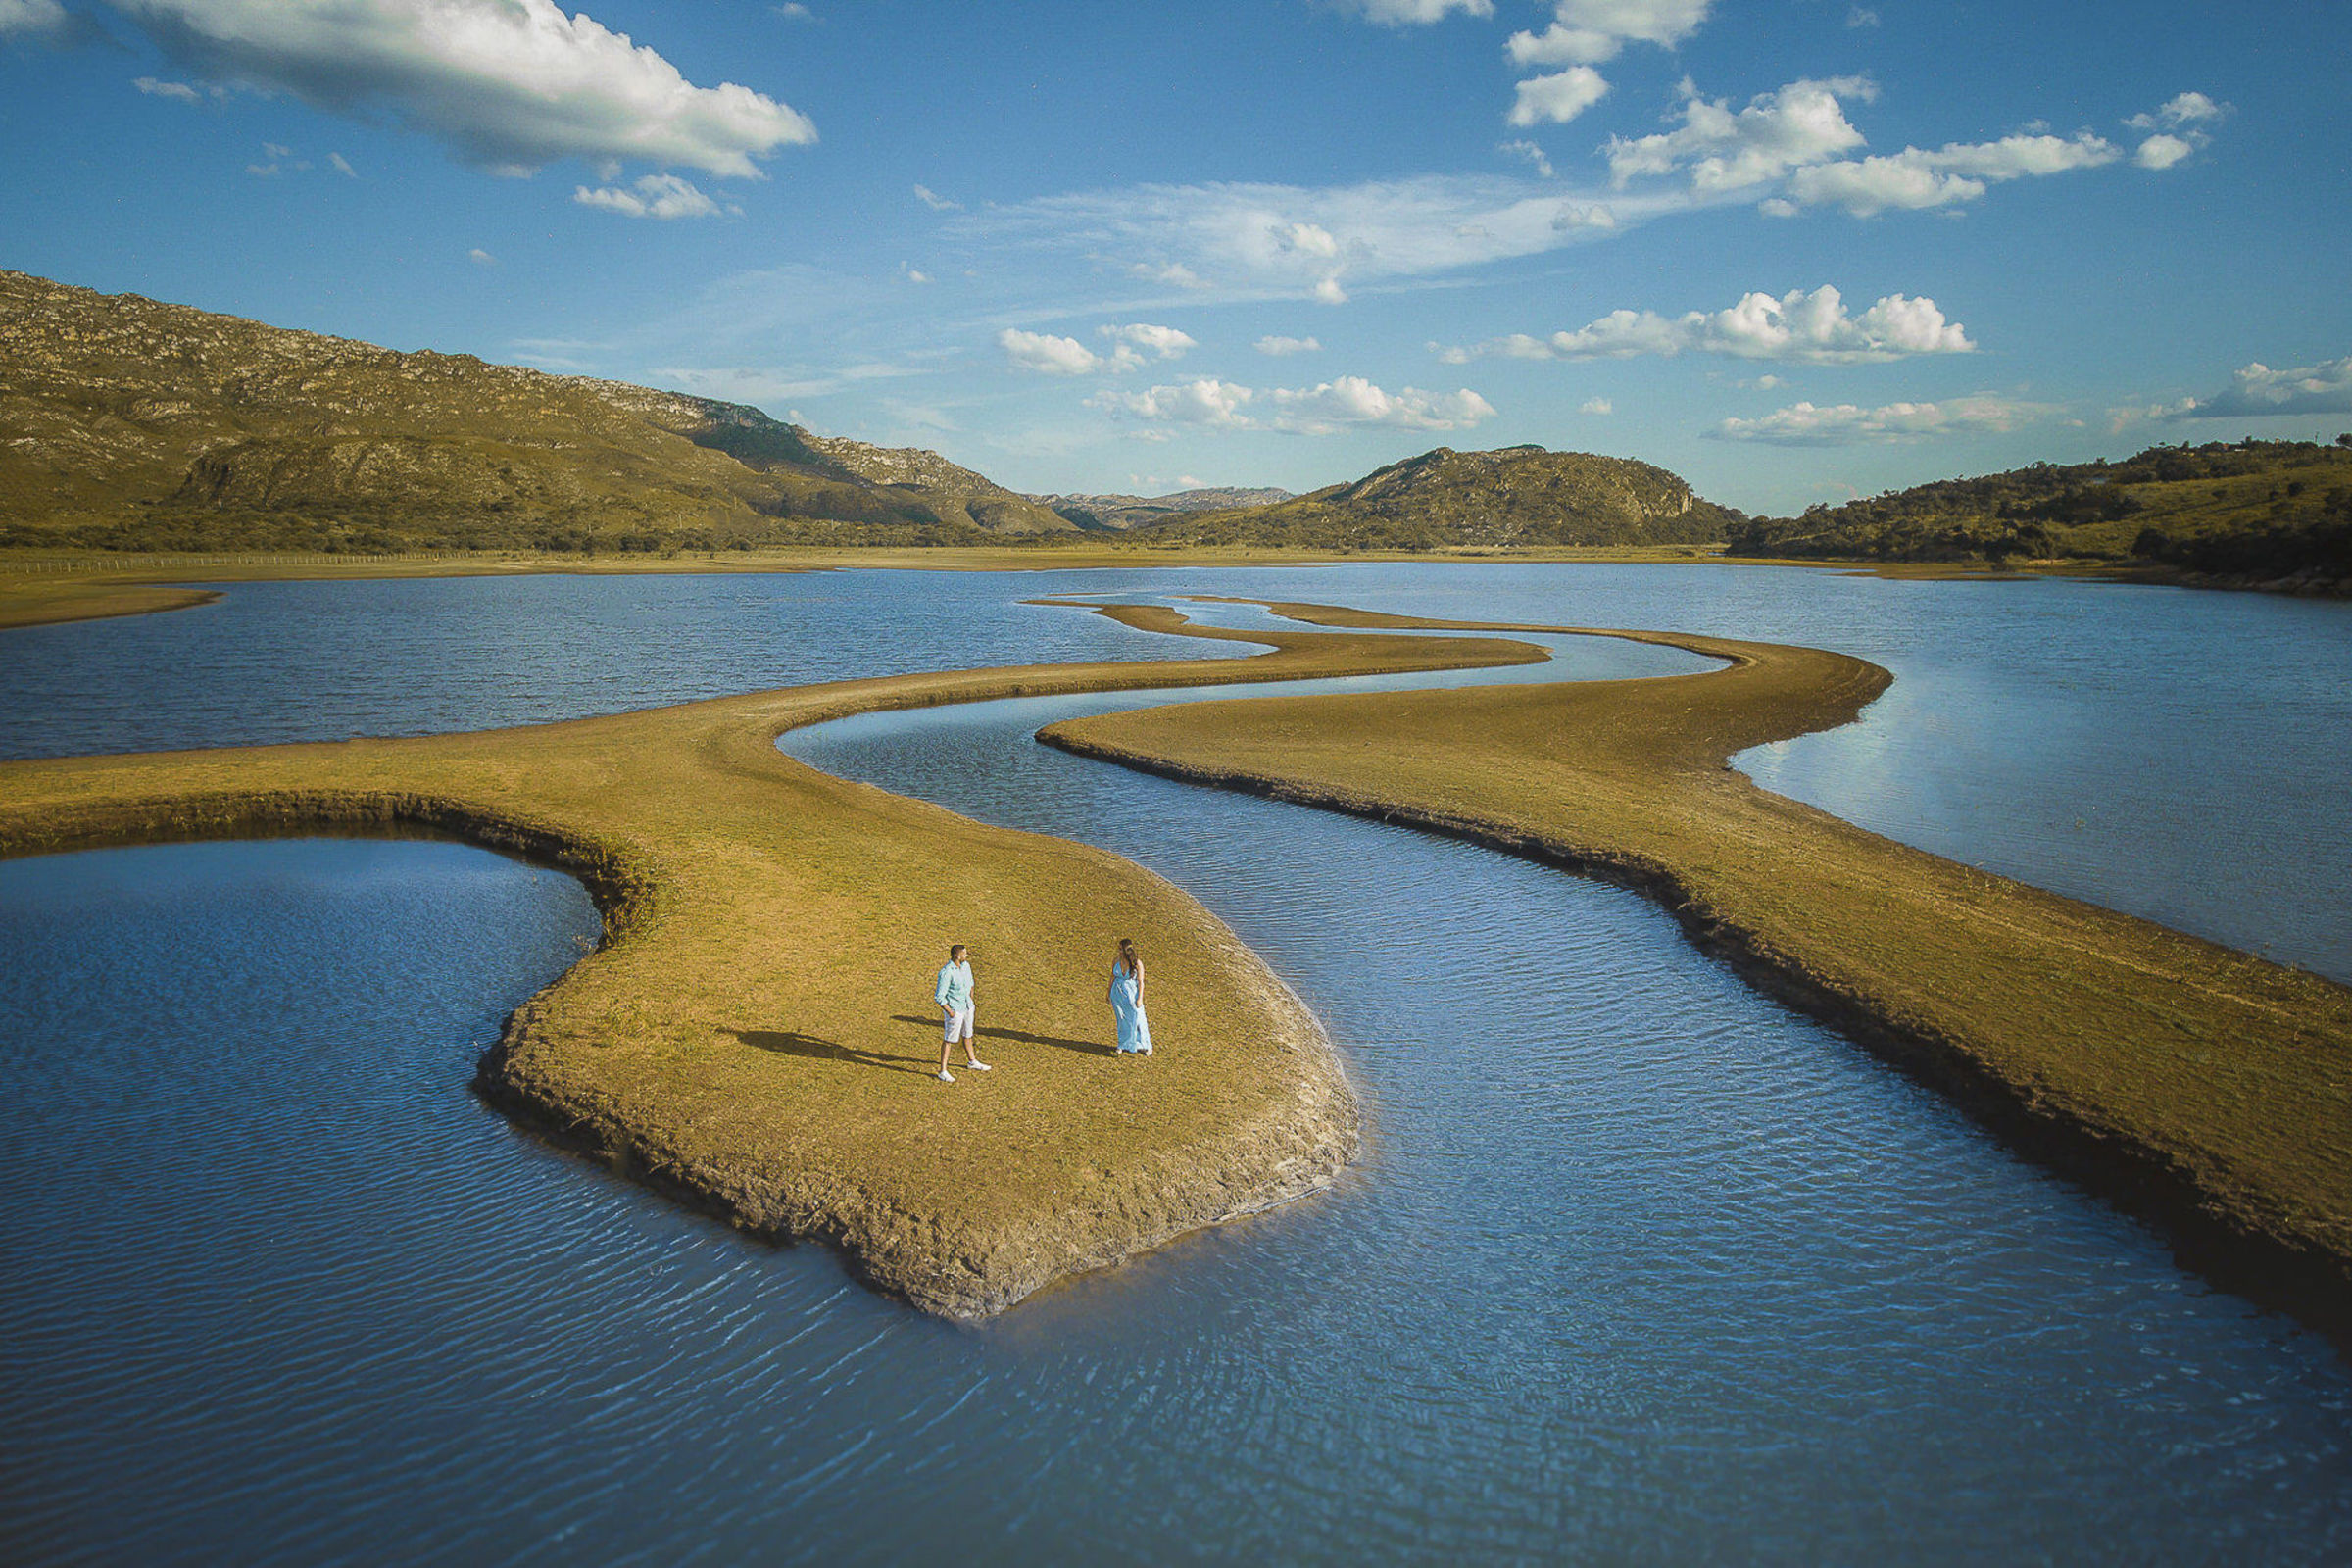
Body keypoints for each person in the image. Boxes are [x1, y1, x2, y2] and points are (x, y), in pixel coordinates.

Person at [935, 943, 989, 1083]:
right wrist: (951, 1012)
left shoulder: (966, 966)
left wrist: (970, 1002)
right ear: (958, 955)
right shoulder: (947, 972)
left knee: (968, 1035)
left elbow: (971, 984)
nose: (967, 955)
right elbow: (939, 996)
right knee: (949, 1039)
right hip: (955, 1010)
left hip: (967, 1007)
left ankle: (972, 1062)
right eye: (964, 953)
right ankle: (943, 1071)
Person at [1107, 937, 1152, 1056]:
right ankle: (1122, 1044)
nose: (1118, 951)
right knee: (1122, 1020)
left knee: (1138, 1019)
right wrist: (1108, 993)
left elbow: (1140, 982)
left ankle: (1145, 1044)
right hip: (1117, 995)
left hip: (1132, 995)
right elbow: (1112, 976)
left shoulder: (1137, 964)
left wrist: (1139, 998)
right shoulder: (1116, 961)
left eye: (1120, 949)